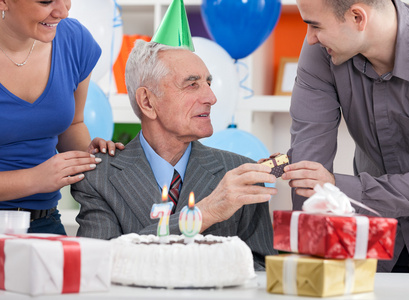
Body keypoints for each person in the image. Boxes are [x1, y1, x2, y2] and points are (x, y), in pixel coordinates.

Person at [71, 40, 278, 270]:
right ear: (147, 102)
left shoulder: (240, 175)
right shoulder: (98, 177)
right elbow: (99, 264)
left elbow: (260, 270)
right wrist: (203, 214)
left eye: (208, 83)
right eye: (192, 85)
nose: (211, 97)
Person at [283, 0, 409, 278]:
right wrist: (306, 268)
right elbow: (308, 170)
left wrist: (337, 188)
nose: (310, 38)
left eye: (315, 25)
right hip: (368, 246)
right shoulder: (321, 51)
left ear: (358, 17)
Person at [0, 0, 123, 234]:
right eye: (46, 1)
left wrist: (88, 154)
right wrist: (35, 179)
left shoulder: (74, 39)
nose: (63, 12)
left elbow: (73, 125)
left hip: (44, 222)